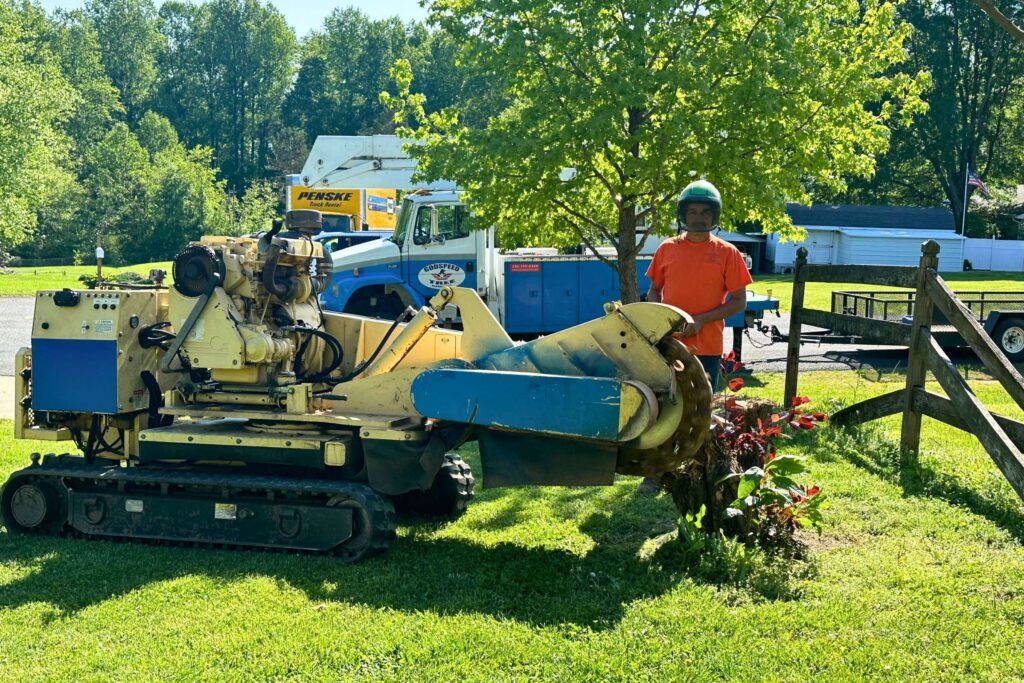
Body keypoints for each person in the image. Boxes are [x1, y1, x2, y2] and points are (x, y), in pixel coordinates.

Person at [637, 180, 753, 494]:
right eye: (692, 211)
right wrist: (658, 319)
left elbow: (738, 300)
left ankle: (697, 468)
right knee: (661, 406)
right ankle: (655, 472)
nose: (698, 217)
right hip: (669, 345)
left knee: (701, 410)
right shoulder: (666, 249)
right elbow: (654, 290)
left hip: (707, 347)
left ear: (714, 214)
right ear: (683, 215)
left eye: (704, 212)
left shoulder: (727, 253)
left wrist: (702, 319)